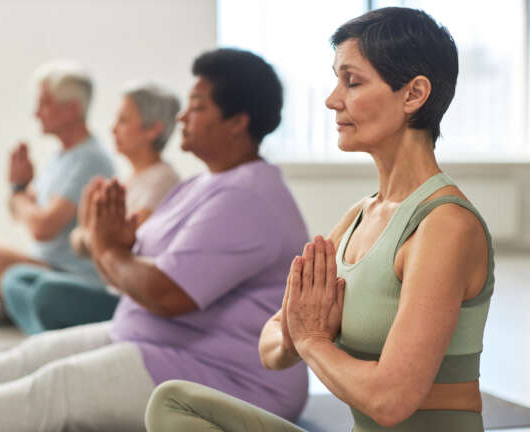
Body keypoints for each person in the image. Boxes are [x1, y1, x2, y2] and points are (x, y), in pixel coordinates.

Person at [145, 7, 494, 432]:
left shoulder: (444, 225)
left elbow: (390, 401)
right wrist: (297, 333)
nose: (332, 99)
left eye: (352, 81)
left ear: (413, 94)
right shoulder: (358, 217)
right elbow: (271, 346)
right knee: (175, 402)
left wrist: (311, 342)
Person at [0, 48, 309, 432]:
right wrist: (115, 245)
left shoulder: (246, 197)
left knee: (54, 390)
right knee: (33, 356)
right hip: (158, 340)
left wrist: (107, 248)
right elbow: (134, 264)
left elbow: (164, 294)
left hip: (230, 379)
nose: (181, 117)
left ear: (238, 121)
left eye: (197, 107)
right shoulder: (201, 184)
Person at [0, 83, 181, 334]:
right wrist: (88, 224)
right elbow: (87, 241)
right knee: (15, 278)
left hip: (125, 297)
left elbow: (124, 248)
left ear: (152, 130)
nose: (112, 127)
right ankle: (45, 338)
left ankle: (45, 338)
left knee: (47, 292)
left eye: (123, 120)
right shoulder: (128, 180)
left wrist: (91, 232)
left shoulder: (161, 182)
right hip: (105, 283)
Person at [0, 60, 115, 318]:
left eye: (44, 103)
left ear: (71, 109)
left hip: (67, 276)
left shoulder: (91, 159)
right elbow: (20, 213)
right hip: (41, 262)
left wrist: (19, 194)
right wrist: (19, 186)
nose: (36, 113)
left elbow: (42, 228)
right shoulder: (61, 157)